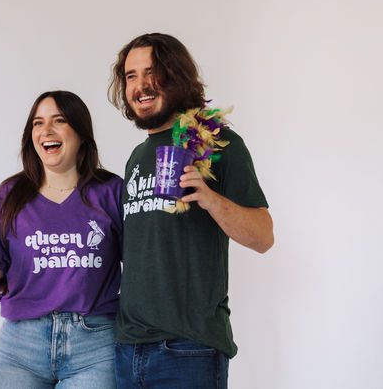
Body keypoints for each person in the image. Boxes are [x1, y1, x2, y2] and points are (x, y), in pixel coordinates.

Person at [108, 33, 274, 389]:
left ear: (175, 75)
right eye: (131, 76)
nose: (140, 86)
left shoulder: (217, 144)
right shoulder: (136, 157)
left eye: (151, 72)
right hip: (128, 348)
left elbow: (263, 237)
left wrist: (209, 197)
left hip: (188, 350)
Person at [0, 90, 123, 388]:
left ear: (81, 132)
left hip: (95, 346)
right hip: (22, 346)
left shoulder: (111, 191)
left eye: (59, 120)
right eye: (37, 123)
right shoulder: (11, 194)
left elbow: (141, 261)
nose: (46, 131)